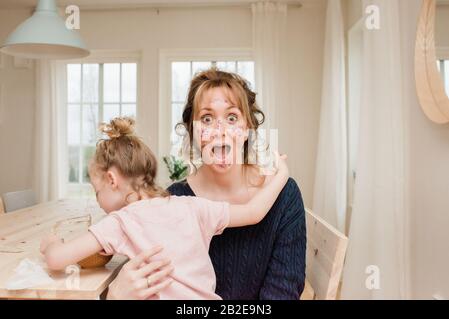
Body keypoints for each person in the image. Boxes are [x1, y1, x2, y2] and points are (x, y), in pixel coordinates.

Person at [107, 69, 306, 300]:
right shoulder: (174, 201)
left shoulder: (284, 195)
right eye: (207, 119)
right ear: (193, 131)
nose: (220, 130)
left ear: (247, 129)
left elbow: (282, 293)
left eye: (232, 117)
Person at [40, 116, 290, 300]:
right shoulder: (193, 206)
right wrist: (282, 174)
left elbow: (56, 259)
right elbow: (253, 212)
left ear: (112, 180)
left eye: (97, 191)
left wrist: (51, 242)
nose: (98, 199)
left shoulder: (119, 222)